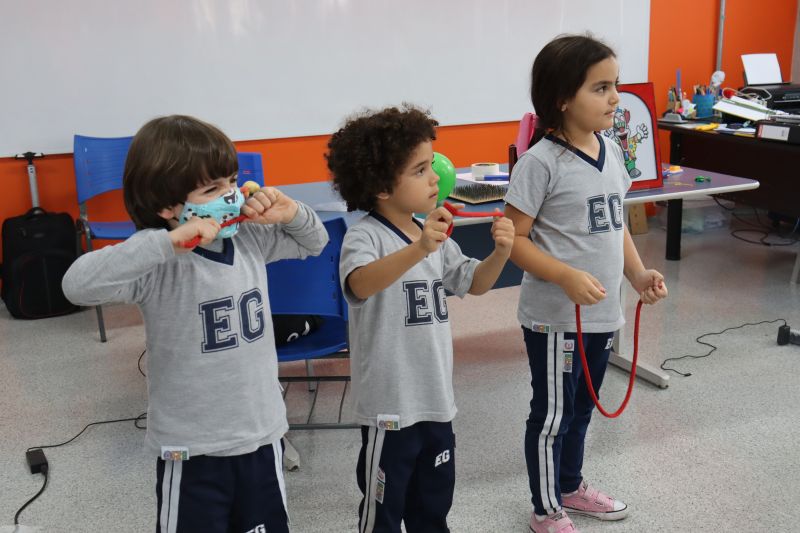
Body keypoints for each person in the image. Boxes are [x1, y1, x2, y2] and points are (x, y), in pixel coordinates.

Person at [63, 114, 329, 532]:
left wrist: (290, 210)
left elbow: (314, 242)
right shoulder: (156, 260)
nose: (230, 195)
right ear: (167, 206)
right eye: (212, 189)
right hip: (192, 449)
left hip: (261, 434)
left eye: (231, 182)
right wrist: (164, 244)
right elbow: (77, 285)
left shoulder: (249, 238)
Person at [503, 35, 669, 533]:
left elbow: (616, 225)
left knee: (580, 409)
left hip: (601, 316)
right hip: (556, 320)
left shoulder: (611, 150)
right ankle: (545, 508)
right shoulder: (539, 163)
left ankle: (570, 485)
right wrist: (564, 275)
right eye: (600, 88)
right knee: (552, 415)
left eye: (615, 85)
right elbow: (514, 241)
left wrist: (637, 274)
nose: (616, 97)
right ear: (562, 98)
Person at [327, 105, 514, 532]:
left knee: (433, 506)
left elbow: (475, 283)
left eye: (432, 165)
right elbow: (360, 284)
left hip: (435, 400)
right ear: (381, 187)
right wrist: (419, 249)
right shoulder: (365, 236)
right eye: (420, 170)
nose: (435, 179)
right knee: (383, 513)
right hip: (389, 407)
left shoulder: (429, 233)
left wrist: (501, 253)